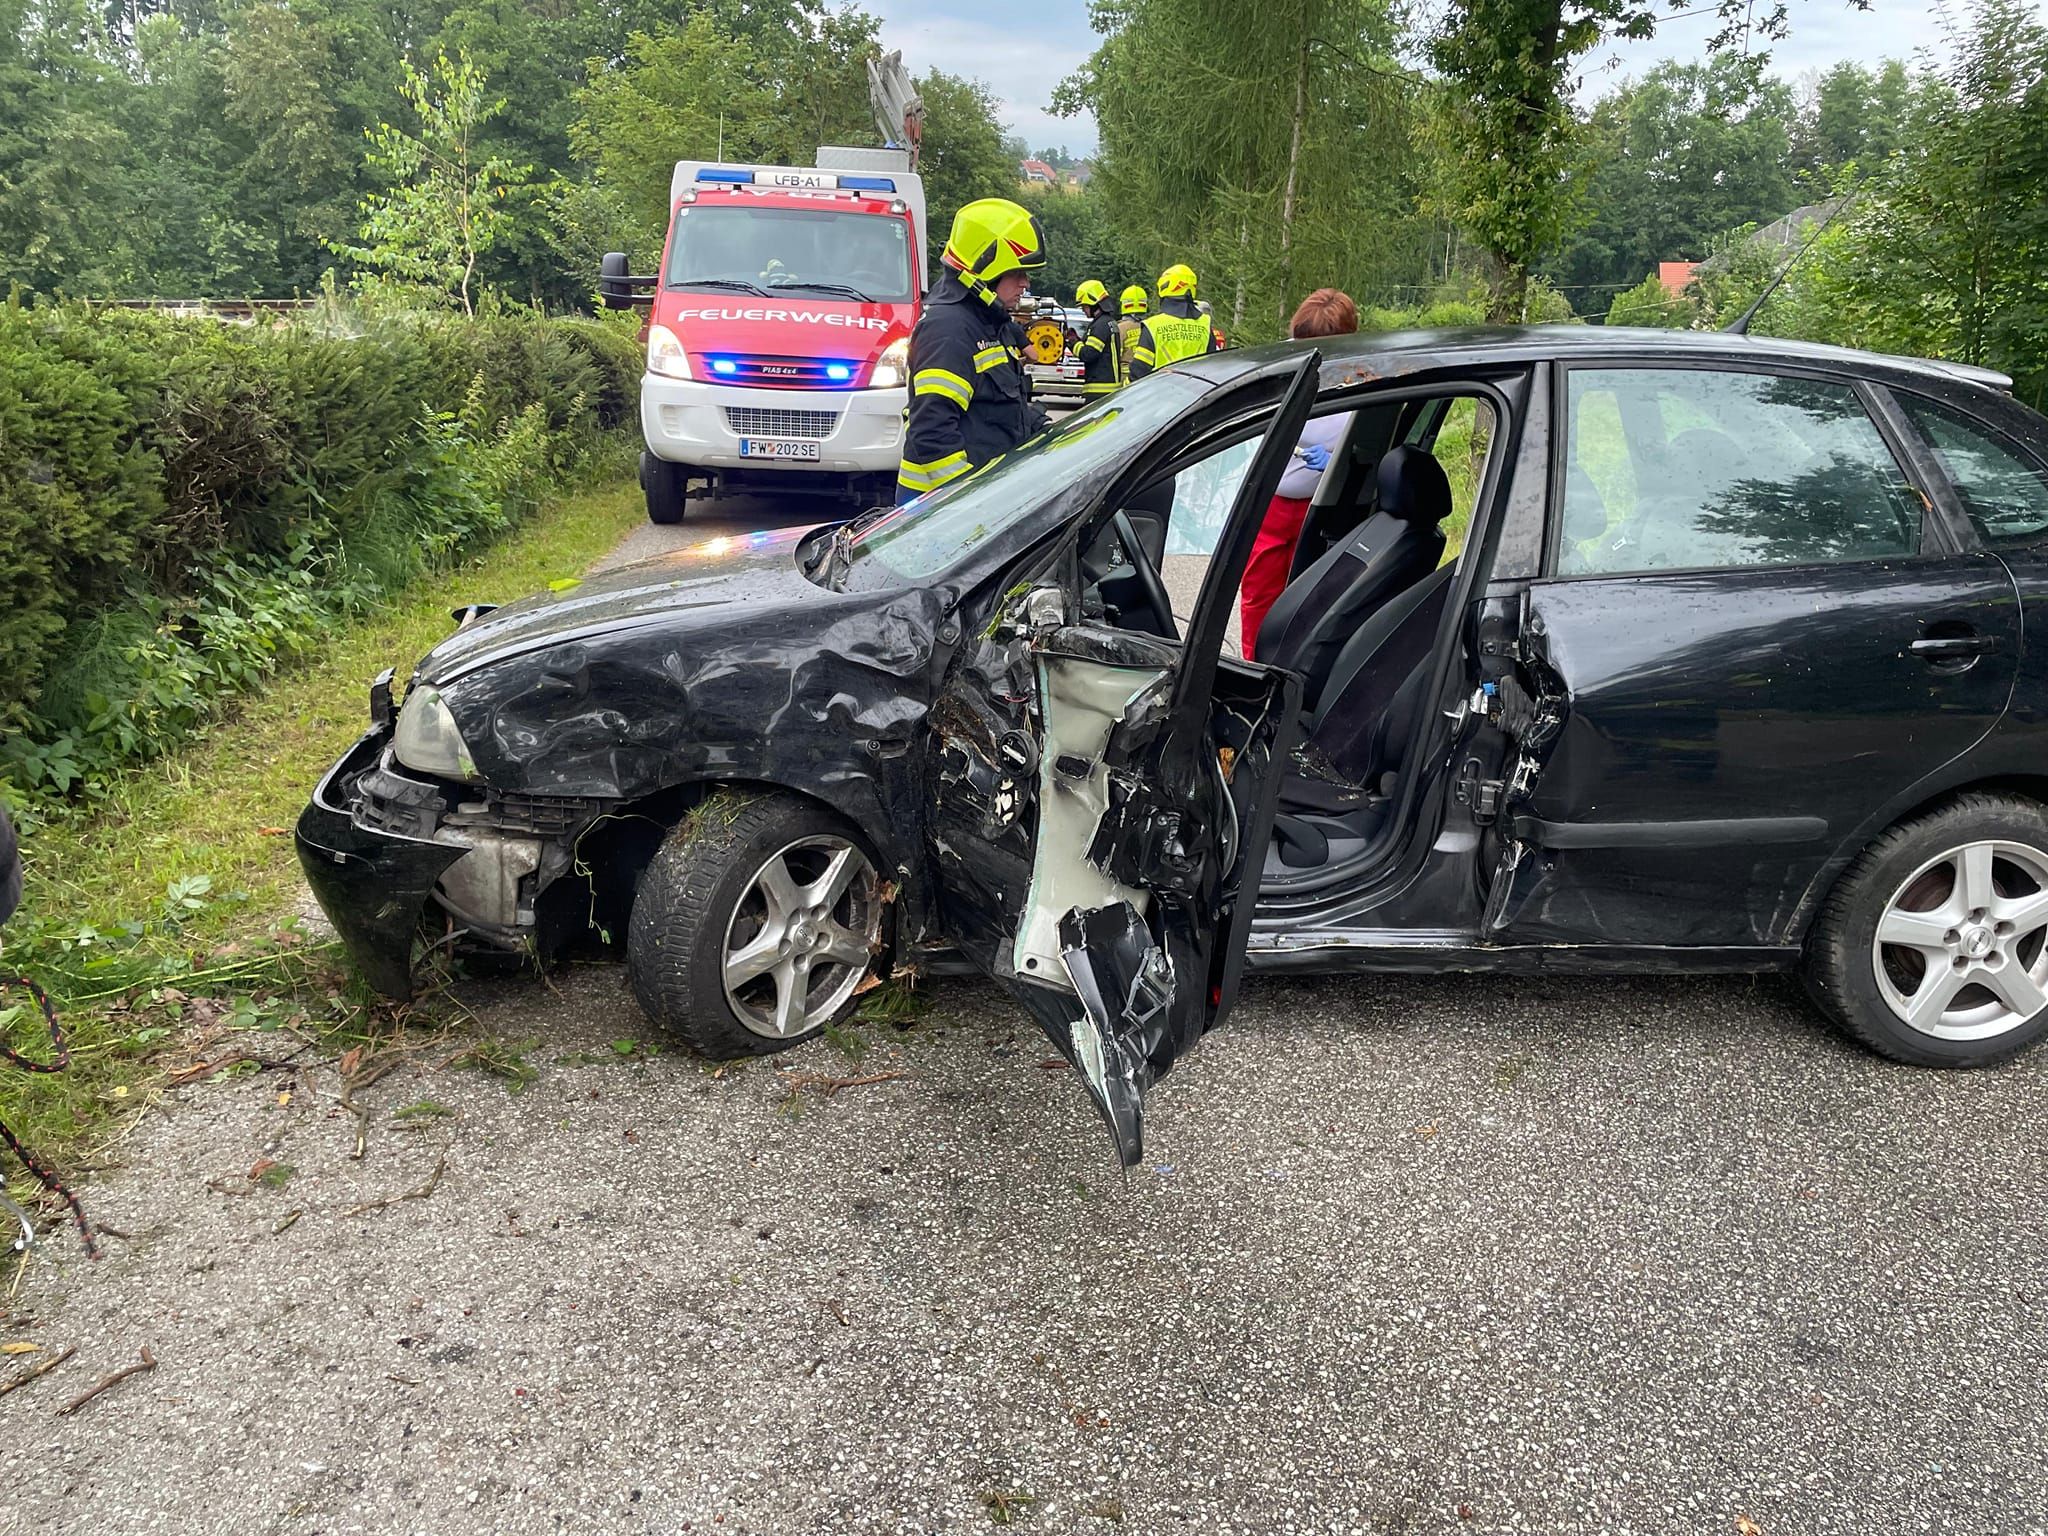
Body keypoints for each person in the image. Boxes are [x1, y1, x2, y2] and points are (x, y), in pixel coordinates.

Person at [897, 199, 1052, 503]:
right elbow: (931, 433)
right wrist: (968, 502)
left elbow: (995, 411)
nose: (1025, 283)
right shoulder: (949, 329)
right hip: (939, 515)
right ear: (985, 268)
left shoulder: (991, 324)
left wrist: (1045, 428)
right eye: (1017, 272)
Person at [1238, 288, 1360, 658]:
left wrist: (1341, 456)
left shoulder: (1362, 368)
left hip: (1325, 502)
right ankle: (1252, 663)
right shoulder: (1283, 364)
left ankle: (1300, 667)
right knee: (1260, 590)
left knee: (1313, 592)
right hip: (1274, 500)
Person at [1128, 263, 1220, 378]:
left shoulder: (1153, 326)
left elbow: (1138, 370)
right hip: (1196, 393)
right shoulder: (1205, 324)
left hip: (1160, 393)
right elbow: (1212, 366)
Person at [1074, 280, 1125, 397]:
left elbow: (1089, 354)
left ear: (1093, 304)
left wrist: (1073, 342)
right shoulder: (1109, 322)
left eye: (1084, 306)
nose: (1083, 309)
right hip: (1109, 387)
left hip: (1099, 389)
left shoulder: (1100, 325)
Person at [1116, 284, 1148, 375]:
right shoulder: (1148, 326)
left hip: (1124, 375)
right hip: (1145, 375)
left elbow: (1116, 355)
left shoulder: (1120, 328)